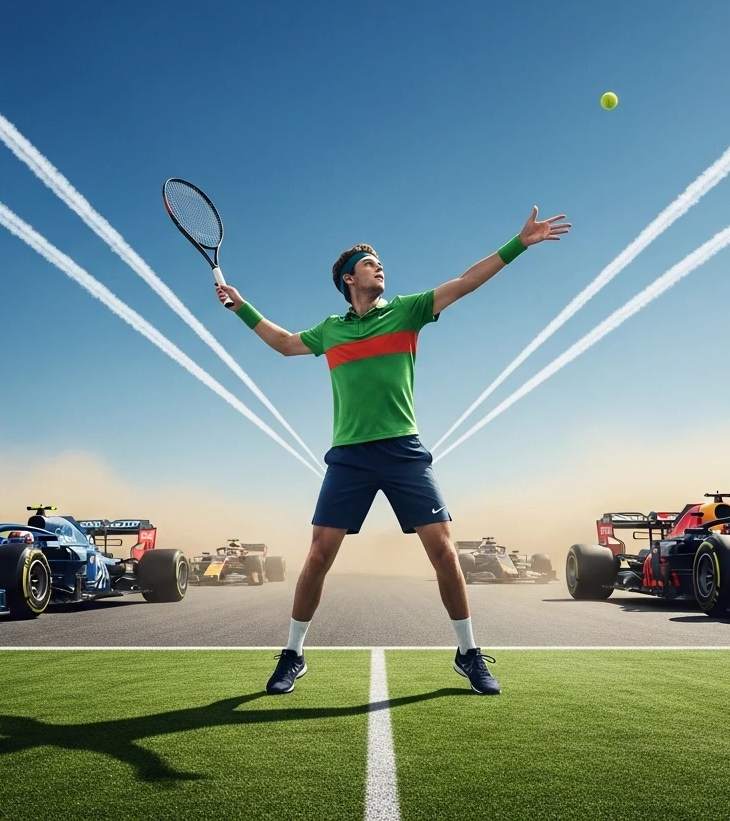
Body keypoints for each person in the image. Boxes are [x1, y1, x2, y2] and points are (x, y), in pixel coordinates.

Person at [216, 207, 571, 695]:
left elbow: (466, 282)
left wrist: (518, 243)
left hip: (403, 450)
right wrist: (240, 306)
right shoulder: (330, 331)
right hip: (349, 455)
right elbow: (283, 343)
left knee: (445, 550)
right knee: (319, 554)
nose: (379, 267)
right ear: (348, 279)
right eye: (369, 263)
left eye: (380, 262)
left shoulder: (408, 310)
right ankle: (293, 655)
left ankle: (468, 654)